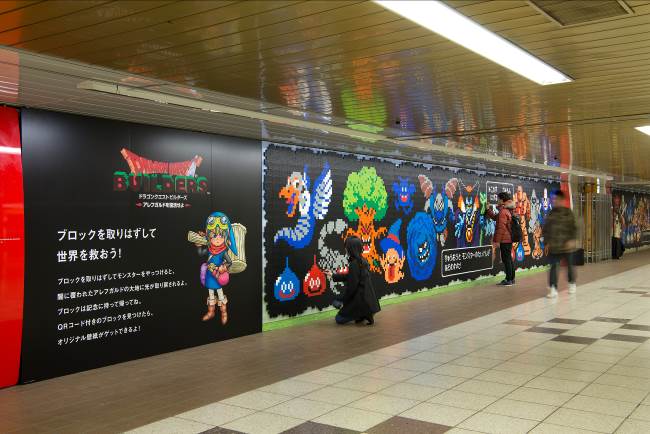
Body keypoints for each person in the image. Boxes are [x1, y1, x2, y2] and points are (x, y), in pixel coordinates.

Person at [327, 236, 381, 325]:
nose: (345, 249)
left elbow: (352, 287)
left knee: (339, 319)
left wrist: (342, 300)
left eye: (347, 247)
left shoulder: (354, 264)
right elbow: (350, 276)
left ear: (351, 249)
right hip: (369, 301)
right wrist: (333, 275)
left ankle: (363, 313)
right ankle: (365, 314)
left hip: (361, 301)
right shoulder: (363, 261)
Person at [542, 190, 578, 298]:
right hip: (554, 246)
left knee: (570, 266)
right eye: (553, 199)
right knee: (553, 267)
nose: (554, 201)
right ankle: (553, 288)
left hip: (567, 246)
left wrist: (572, 240)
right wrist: (546, 242)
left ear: (562, 200)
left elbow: (574, 228)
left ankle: (572, 283)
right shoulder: (551, 213)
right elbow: (546, 230)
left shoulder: (568, 213)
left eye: (556, 199)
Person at [486, 192, 516, 286]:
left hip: (505, 240)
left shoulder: (503, 211)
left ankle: (508, 279)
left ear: (502, 200)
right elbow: (496, 218)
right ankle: (511, 279)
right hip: (508, 239)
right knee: (508, 259)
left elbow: (501, 228)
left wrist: (497, 241)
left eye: (498, 199)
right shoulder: (506, 210)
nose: (497, 200)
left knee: (506, 260)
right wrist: (488, 210)